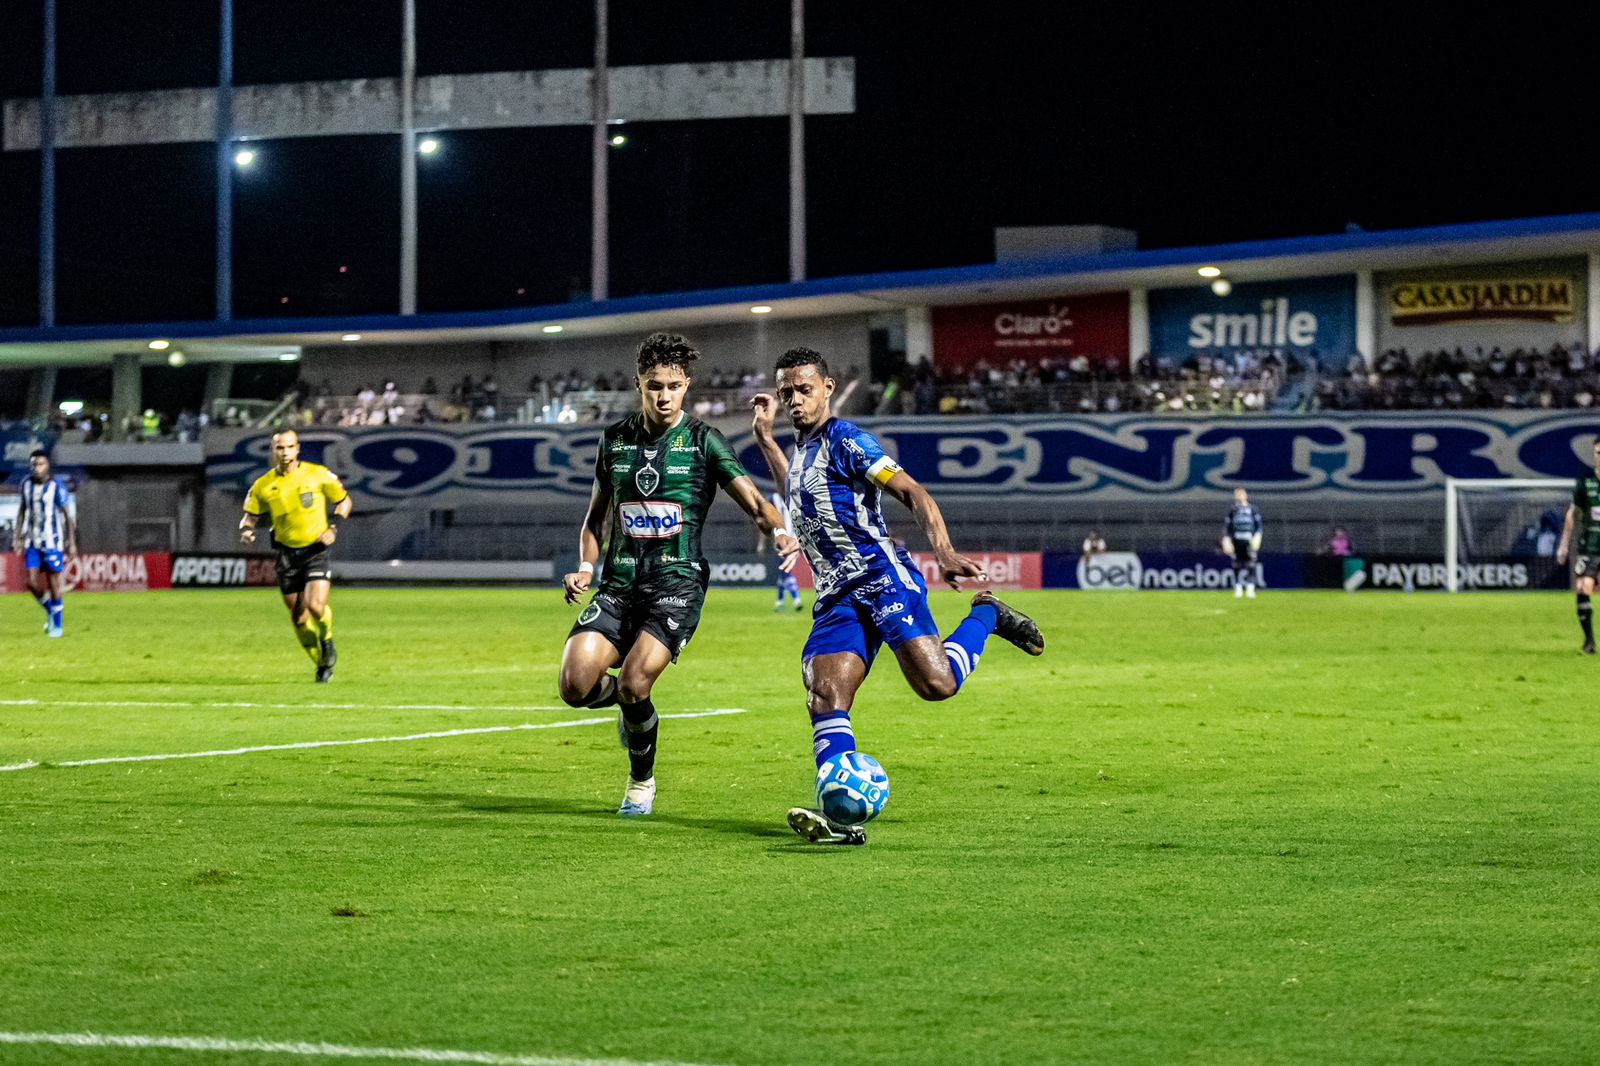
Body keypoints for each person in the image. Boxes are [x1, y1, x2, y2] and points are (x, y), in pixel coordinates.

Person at [750, 347, 1045, 847]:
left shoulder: (848, 441)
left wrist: (945, 552)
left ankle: (986, 615)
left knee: (937, 684)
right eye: (787, 392)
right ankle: (842, 815)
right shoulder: (799, 453)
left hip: (883, 579)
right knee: (824, 694)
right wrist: (763, 437)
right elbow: (794, 491)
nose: (796, 400)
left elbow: (913, 492)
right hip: (836, 595)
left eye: (804, 389)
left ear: (827, 387)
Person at [557, 332, 798, 817]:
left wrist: (780, 533)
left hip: (675, 586)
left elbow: (754, 501)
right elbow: (595, 521)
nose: (663, 396)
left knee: (631, 684)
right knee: (574, 686)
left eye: (672, 385)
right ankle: (632, 715)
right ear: (638, 385)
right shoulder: (615, 440)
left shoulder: (704, 440)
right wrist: (586, 565)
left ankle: (640, 782)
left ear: (686, 384)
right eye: (653, 386)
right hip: (619, 585)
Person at [239, 429, 353, 682]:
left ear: (297, 448)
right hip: (286, 556)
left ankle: (328, 640)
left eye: (289, 447)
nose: (285, 452)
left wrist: (333, 527)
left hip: (315, 551)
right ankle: (322, 667)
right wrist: (246, 531)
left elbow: (344, 501)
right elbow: (249, 517)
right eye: (280, 448)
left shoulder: (317, 475)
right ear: (273, 451)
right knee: (298, 618)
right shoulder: (263, 485)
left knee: (315, 606)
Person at [11, 450, 76, 637]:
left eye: (40, 464)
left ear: (47, 466)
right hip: (32, 542)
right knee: (30, 581)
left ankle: (57, 626)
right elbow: (22, 511)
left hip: (52, 542)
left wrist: (71, 543)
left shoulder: (56, 487)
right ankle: (49, 609)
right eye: (33, 464)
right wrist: (18, 535)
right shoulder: (26, 485)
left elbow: (67, 515)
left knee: (54, 581)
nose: (36, 468)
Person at [1554, 438, 1600, 655]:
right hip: (1588, 545)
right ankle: (1589, 642)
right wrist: (1564, 545)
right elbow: (1572, 514)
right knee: (1583, 588)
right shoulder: (1585, 483)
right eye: (1598, 452)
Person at [757, 489, 805, 613]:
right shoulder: (787, 496)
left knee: (785, 571)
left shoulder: (784, 497)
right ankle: (781, 601)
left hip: (788, 541)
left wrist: (761, 543)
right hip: (790, 539)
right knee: (784, 573)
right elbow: (766, 520)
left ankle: (795, 599)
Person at [1221, 487, 1263, 598]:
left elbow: (1258, 525)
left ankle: (1250, 588)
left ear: (1245, 495)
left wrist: (1258, 537)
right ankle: (1238, 588)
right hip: (1236, 540)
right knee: (1236, 564)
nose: (1239, 496)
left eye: (1241, 494)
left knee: (1251, 564)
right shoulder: (1233, 510)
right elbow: (1227, 526)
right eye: (1237, 494)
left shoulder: (1252, 509)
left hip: (1249, 540)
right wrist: (1226, 539)